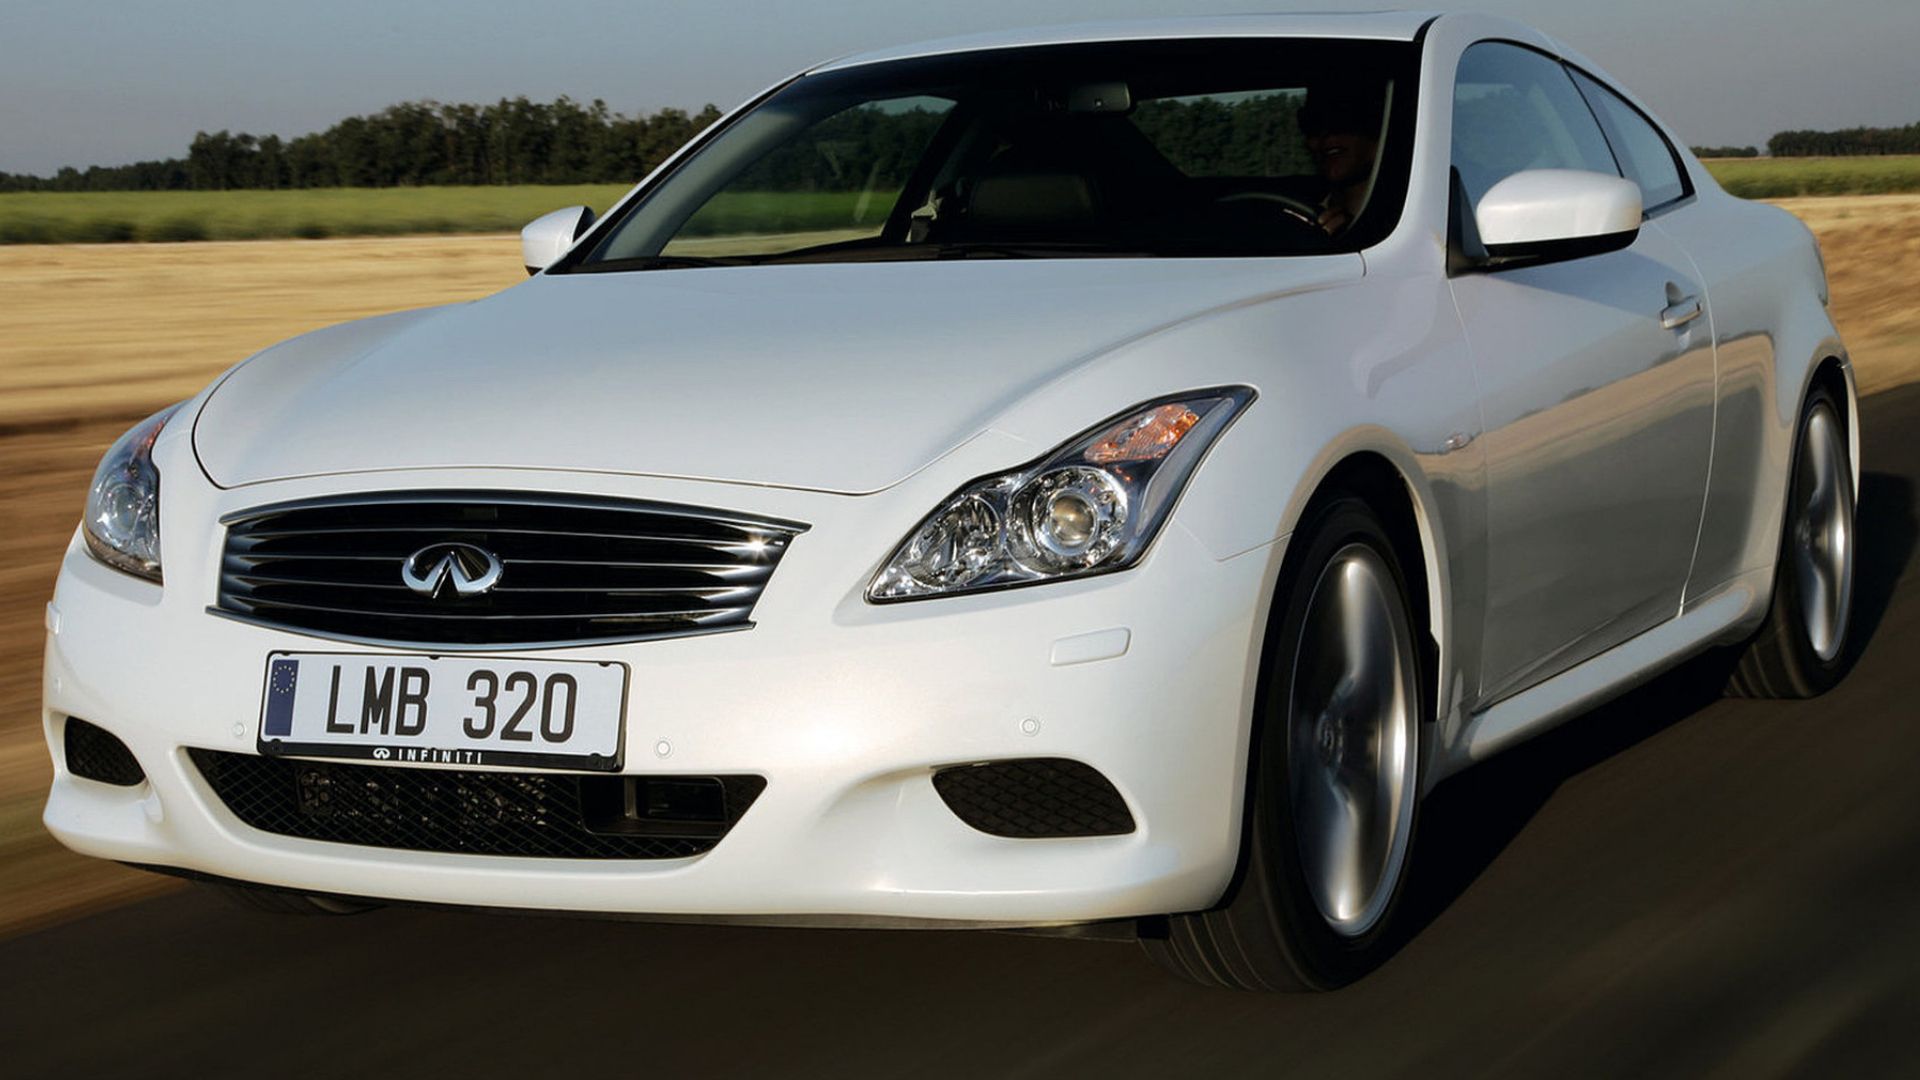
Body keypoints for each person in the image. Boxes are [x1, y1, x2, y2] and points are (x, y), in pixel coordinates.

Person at [1297, 85, 1386, 236]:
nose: (1326, 137)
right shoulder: (1298, 216)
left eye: (1342, 120)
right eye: (1313, 123)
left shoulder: (1403, 225)